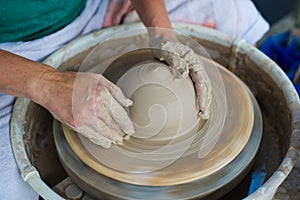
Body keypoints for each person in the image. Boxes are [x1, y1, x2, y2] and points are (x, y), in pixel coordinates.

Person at [0, 0, 269, 199]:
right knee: (9, 188)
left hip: (95, 8)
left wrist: (163, 35)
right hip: (13, 54)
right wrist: (48, 85)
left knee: (230, 9)